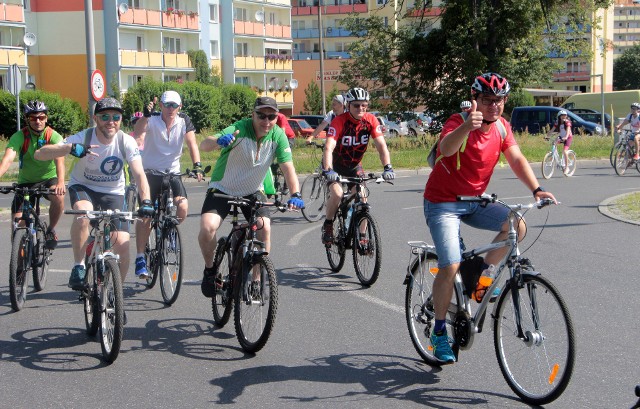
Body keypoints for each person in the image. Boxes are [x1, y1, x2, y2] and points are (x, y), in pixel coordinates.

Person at [423, 73, 557, 363]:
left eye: (499, 100)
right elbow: (445, 150)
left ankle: (480, 275)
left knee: (516, 225)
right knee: (450, 264)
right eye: (487, 100)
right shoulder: (458, 120)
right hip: (442, 203)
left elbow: (517, 159)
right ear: (475, 99)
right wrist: (464, 128)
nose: (494, 105)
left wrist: (537, 189)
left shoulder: (501, 128)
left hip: (475, 202)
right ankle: (438, 331)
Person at [34, 97, 153, 291]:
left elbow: (139, 174)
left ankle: (115, 296)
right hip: (84, 187)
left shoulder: (126, 141)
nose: (111, 121)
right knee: (83, 216)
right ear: (95, 118)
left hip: (114, 192)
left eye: (116, 116)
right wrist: (71, 148)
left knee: (122, 245)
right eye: (105, 116)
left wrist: (146, 200)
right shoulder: (84, 137)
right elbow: (40, 154)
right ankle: (79, 266)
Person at [198, 96, 304, 297]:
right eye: (261, 116)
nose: (266, 121)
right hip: (222, 187)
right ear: (252, 115)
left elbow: (288, 168)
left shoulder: (277, 136)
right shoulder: (240, 128)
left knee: (264, 228)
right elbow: (205, 144)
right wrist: (218, 141)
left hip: (252, 189)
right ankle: (211, 270)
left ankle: (256, 280)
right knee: (207, 229)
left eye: (271, 117)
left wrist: (295, 193)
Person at [132, 90, 204, 279]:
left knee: (183, 207)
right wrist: (145, 116)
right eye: (167, 105)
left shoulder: (184, 120)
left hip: (172, 173)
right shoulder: (152, 119)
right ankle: (140, 257)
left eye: (174, 105)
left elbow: (192, 144)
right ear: (161, 106)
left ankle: (169, 231)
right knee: (146, 214)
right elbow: (138, 133)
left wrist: (197, 165)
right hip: (150, 174)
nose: (170, 109)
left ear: (179, 107)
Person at [320, 87, 395, 245]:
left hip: (354, 166)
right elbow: (328, 148)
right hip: (334, 165)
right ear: (348, 105)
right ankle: (328, 224)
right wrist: (328, 170)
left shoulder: (370, 120)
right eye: (356, 105)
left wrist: (388, 167)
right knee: (338, 194)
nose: (361, 108)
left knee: (363, 198)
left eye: (364, 105)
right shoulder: (339, 121)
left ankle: (362, 237)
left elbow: (381, 146)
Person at [0, 100, 66, 249]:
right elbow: (8, 159)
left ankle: (50, 230)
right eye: (33, 118)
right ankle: (19, 268)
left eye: (41, 117)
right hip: (26, 182)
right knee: (17, 227)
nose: (38, 121)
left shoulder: (53, 136)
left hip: (49, 179)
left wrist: (61, 182)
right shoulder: (19, 136)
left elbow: (59, 161)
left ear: (46, 119)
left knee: (59, 196)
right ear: (27, 120)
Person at [547, 110, 573, 175]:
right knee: (554, 143)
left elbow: (568, 130)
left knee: (564, 151)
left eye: (565, 115)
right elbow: (552, 130)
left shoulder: (567, 122)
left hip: (568, 138)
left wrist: (566, 137)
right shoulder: (557, 122)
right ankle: (554, 156)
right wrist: (547, 136)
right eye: (562, 115)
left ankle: (567, 167)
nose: (564, 116)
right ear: (559, 117)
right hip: (561, 137)